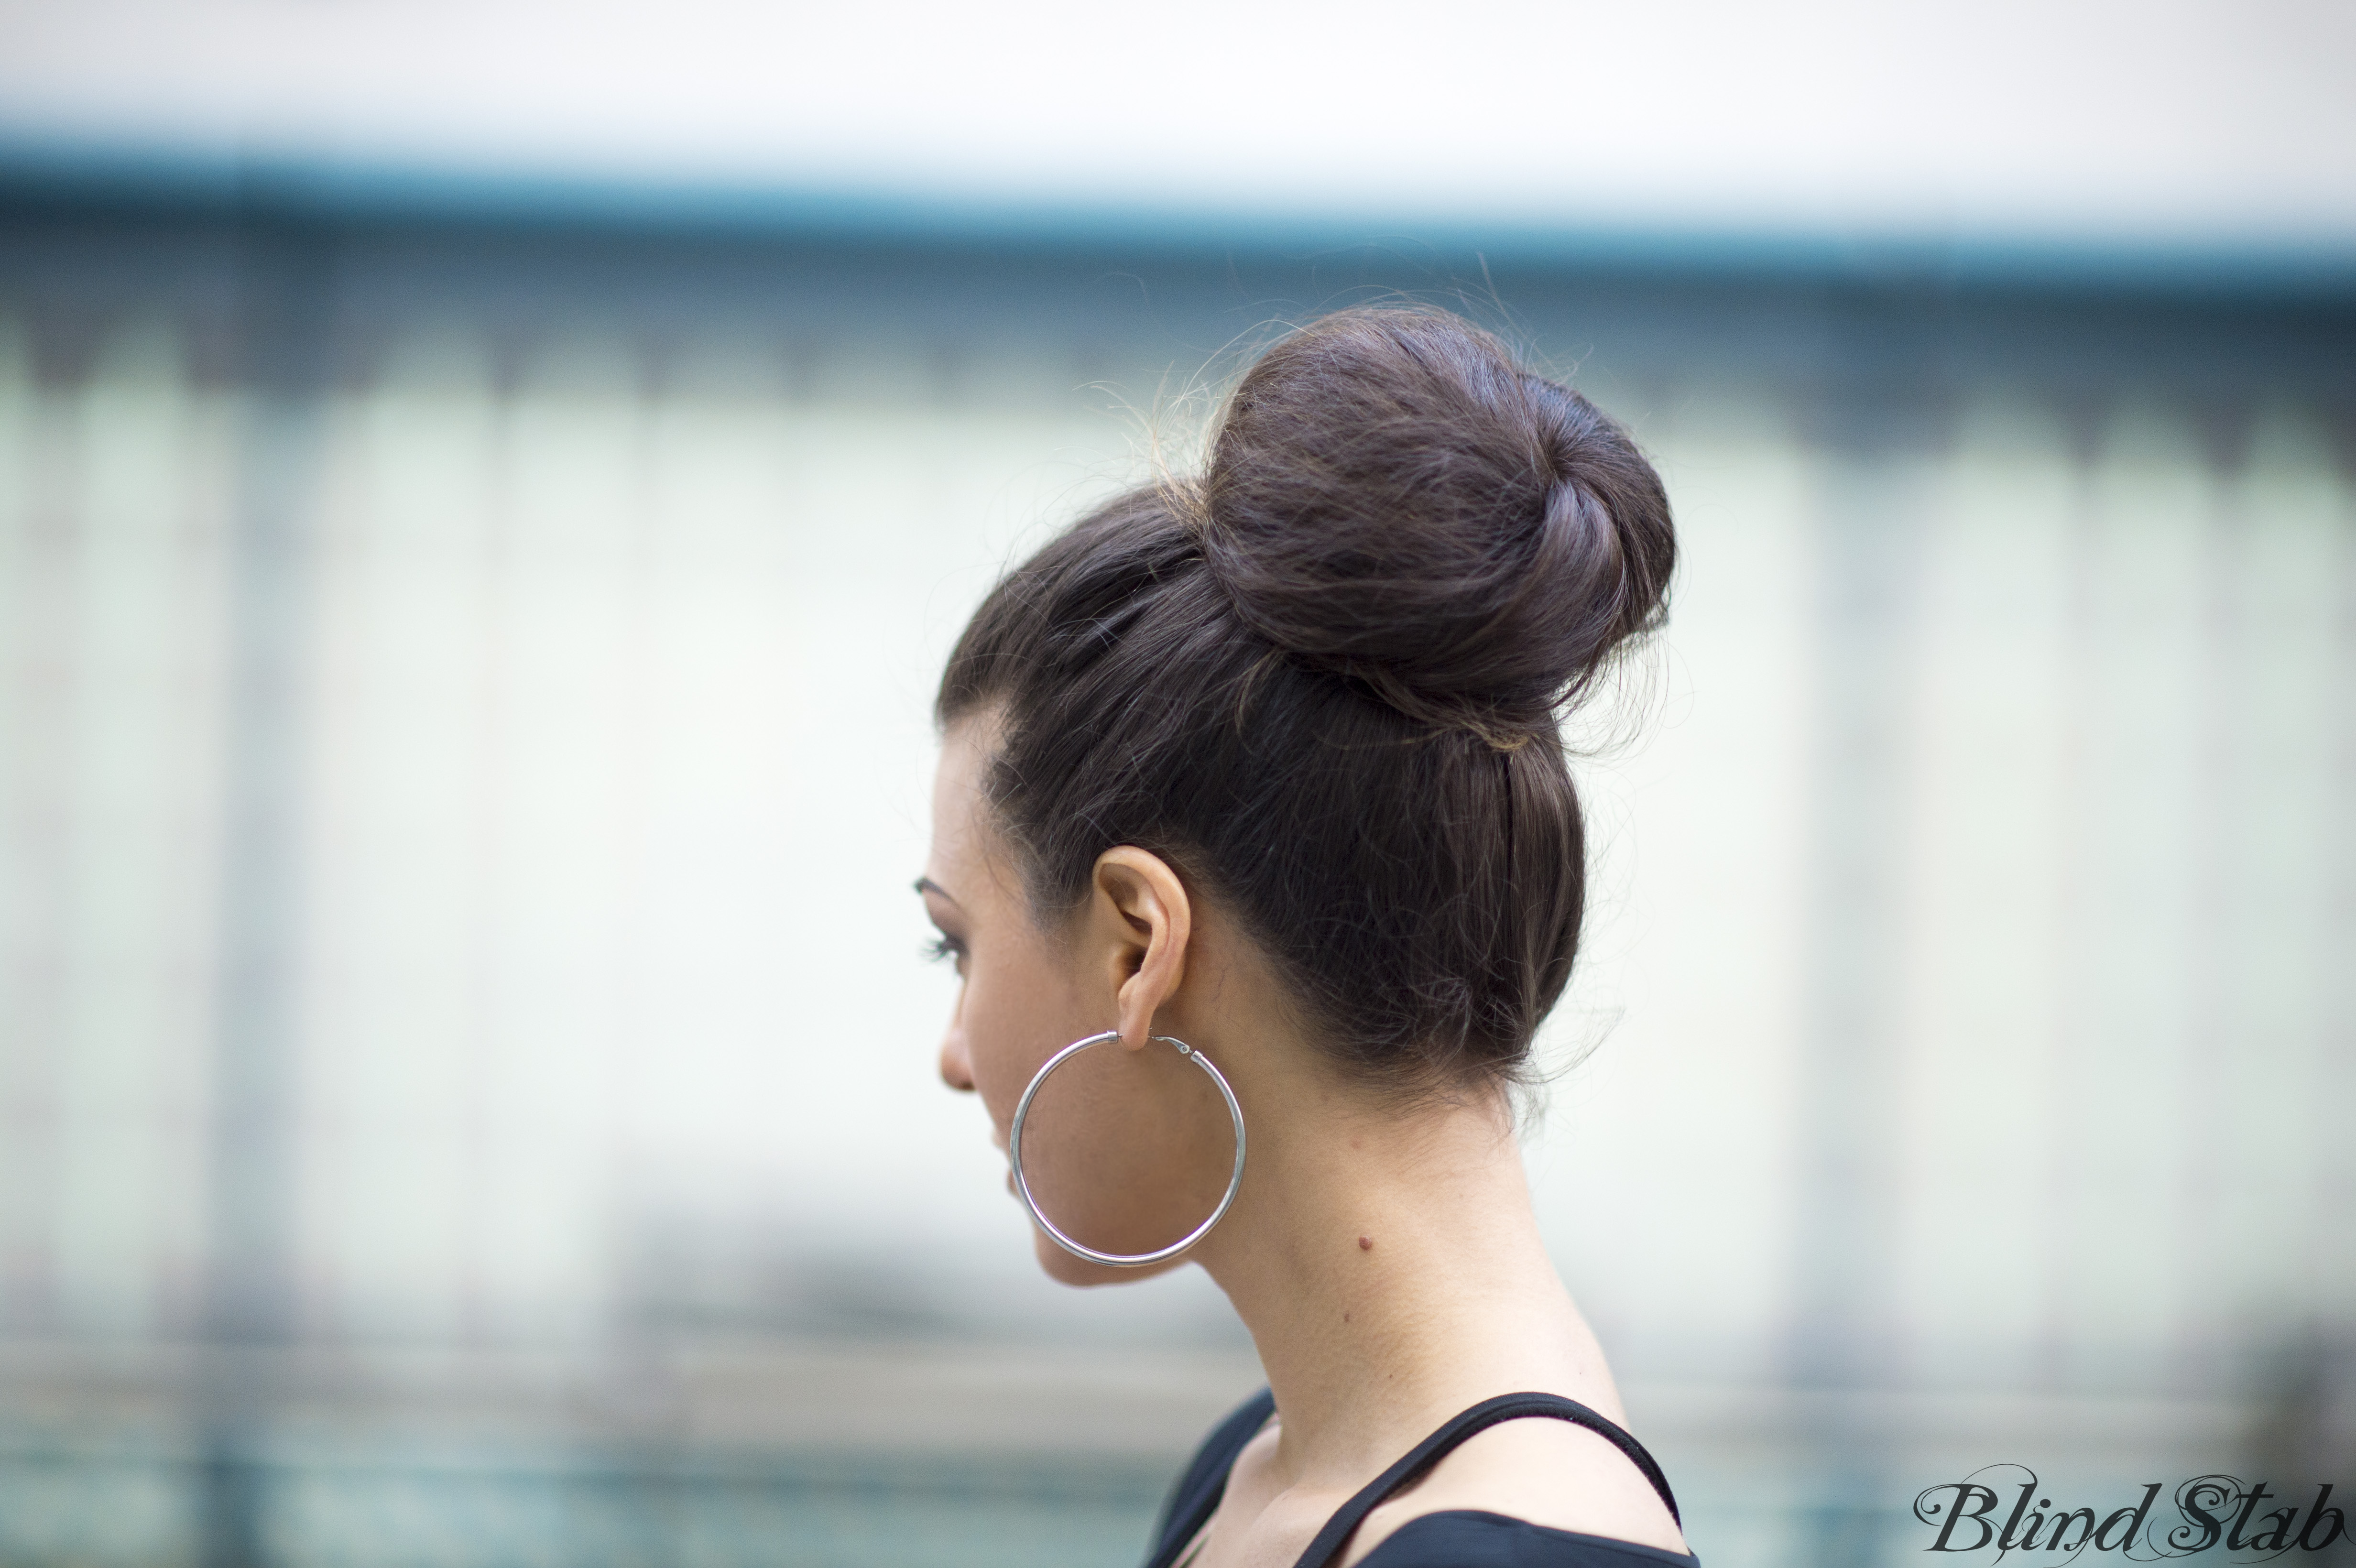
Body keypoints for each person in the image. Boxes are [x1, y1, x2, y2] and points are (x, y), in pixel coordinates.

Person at [916, 306, 1692, 1568]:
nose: (954, 1053)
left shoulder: (1508, 1553)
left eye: (955, 946)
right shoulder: (1256, 1474)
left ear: (1136, 943)